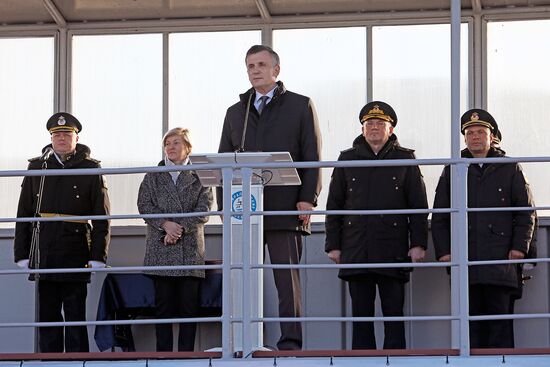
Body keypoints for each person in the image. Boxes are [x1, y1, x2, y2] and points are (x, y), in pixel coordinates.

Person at [218, 44, 322, 350]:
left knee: (286, 282)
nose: (255, 70)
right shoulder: (236, 112)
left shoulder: (300, 105)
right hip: (244, 210)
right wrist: (225, 203)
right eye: (250, 65)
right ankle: (242, 340)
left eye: (261, 65)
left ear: (276, 70)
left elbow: (312, 154)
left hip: (285, 207)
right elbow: (224, 160)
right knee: (241, 278)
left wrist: (308, 198)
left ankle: (290, 343)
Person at [325, 101, 428, 349]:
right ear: (362, 130)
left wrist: (418, 244)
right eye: (369, 124)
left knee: (394, 314)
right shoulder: (346, 160)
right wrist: (333, 246)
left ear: (390, 130)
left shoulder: (405, 160)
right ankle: (362, 362)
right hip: (356, 249)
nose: (374, 128)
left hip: (393, 250)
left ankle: (396, 360)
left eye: (380, 124)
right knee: (361, 317)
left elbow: (418, 207)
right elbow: (334, 206)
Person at [432, 108, 536, 348]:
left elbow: (526, 211)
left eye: (481, 132)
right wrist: (445, 252)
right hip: (465, 261)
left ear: (492, 137)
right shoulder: (453, 170)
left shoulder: (510, 168)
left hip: (501, 262)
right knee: (470, 326)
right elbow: (440, 216)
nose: (475, 136)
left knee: (500, 324)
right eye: (469, 132)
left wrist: (520, 248)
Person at [14, 112, 111, 353]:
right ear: (51, 138)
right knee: (48, 314)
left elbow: (102, 216)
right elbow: (24, 212)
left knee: (75, 312)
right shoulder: (37, 167)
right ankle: (51, 361)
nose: (61, 138)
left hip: (75, 247)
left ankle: (78, 361)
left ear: (76, 138)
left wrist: (98, 255)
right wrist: (21, 253)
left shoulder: (90, 168)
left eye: (67, 134)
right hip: (45, 246)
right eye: (57, 134)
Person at [137, 127, 213, 352]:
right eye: (167, 143)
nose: (170, 147)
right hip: (160, 249)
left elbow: (205, 208)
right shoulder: (153, 175)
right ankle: (164, 358)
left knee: (189, 310)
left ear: (188, 147)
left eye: (176, 142)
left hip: (189, 251)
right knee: (163, 310)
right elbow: (144, 205)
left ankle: (187, 357)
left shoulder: (202, 175)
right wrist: (165, 225)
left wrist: (177, 230)